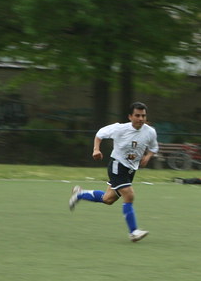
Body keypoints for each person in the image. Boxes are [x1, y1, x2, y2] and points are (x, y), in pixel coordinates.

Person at [68, 102, 159, 242]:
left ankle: (80, 194)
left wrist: (147, 156)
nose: (141, 118)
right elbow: (99, 134)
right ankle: (133, 232)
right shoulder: (119, 129)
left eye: (143, 116)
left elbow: (154, 147)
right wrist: (96, 149)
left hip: (130, 170)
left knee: (108, 199)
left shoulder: (150, 132)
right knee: (129, 195)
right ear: (130, 116)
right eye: (137, 115)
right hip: (117, 166)